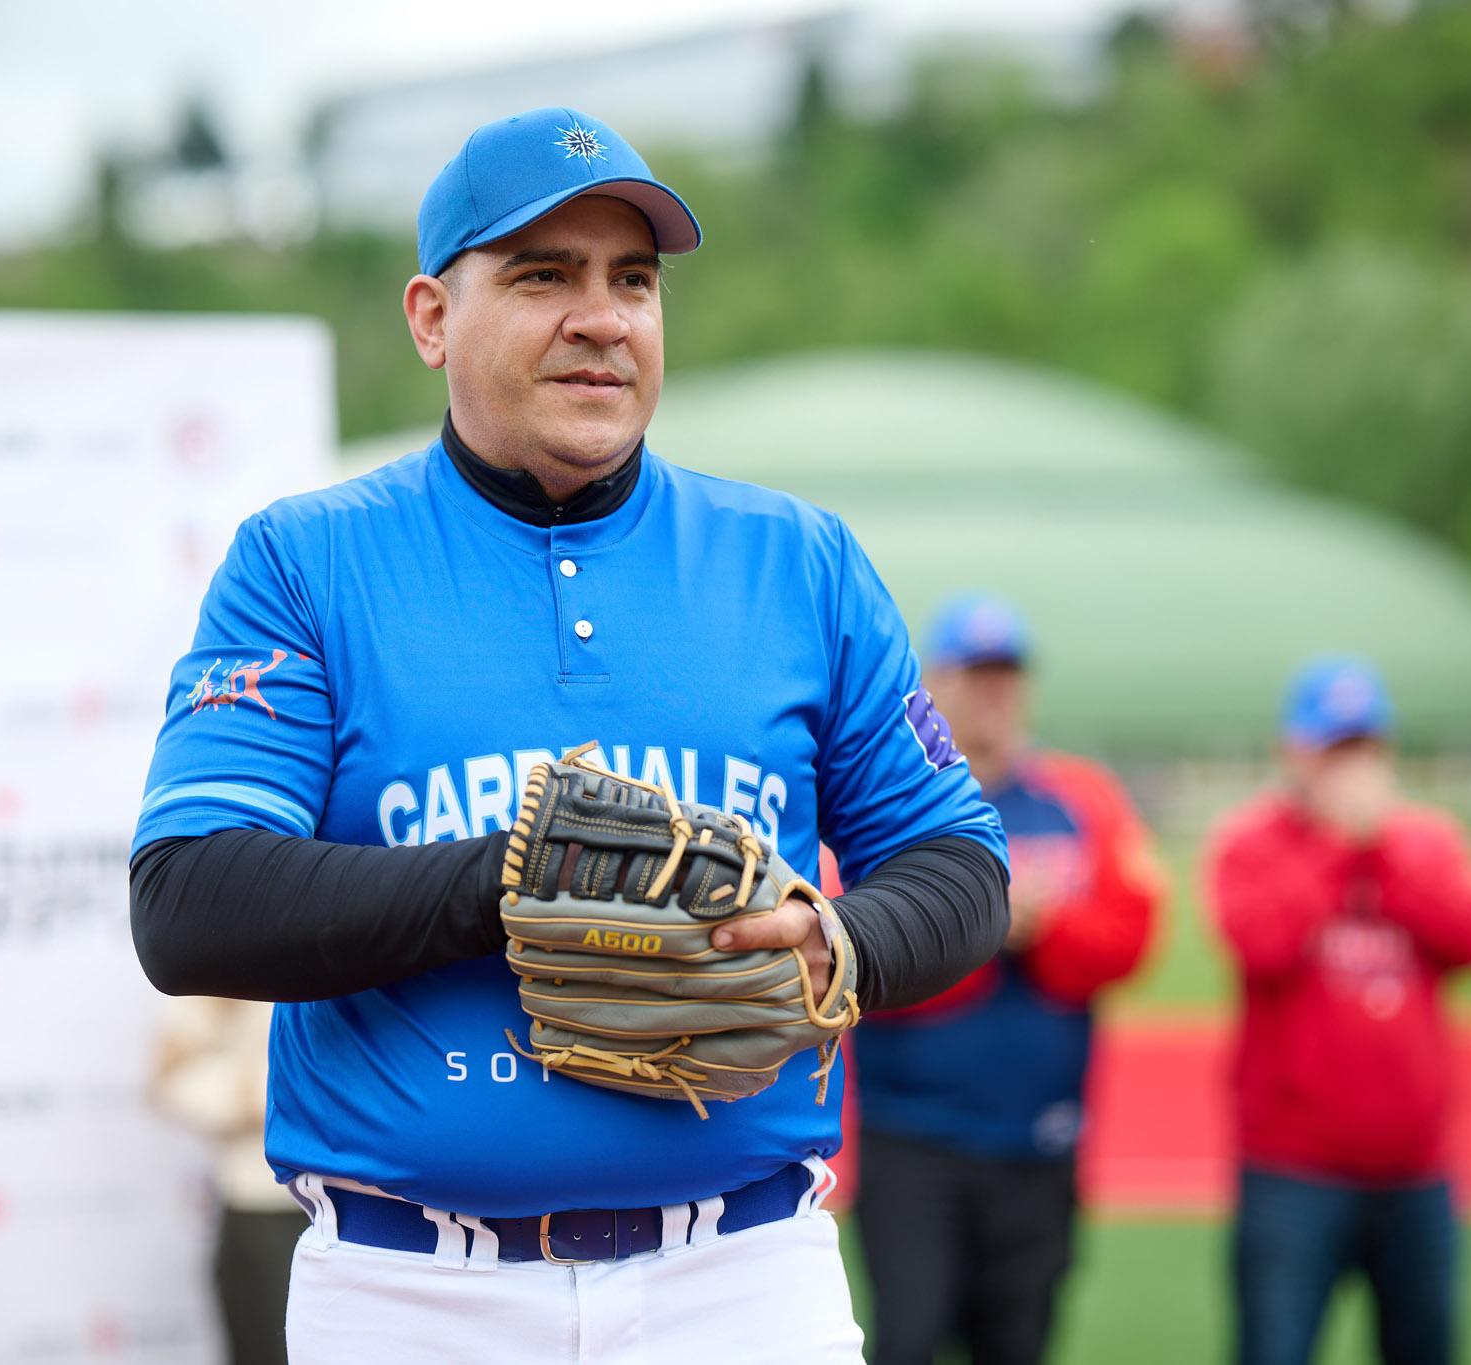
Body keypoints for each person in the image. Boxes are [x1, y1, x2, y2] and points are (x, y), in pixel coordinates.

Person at [127, 107, 1010, 1362]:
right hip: (412, 1293)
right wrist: (518, 879)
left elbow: (960, 866)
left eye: (631, 280)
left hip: (741, 1278)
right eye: (543, 275)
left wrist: (837, 940)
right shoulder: (305, 562)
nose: (601, 318)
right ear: (431, 318)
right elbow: (187, 903)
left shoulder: (795, 561)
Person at [852, 591, 1165, 1365]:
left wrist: (1049, 928)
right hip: (914, 1140)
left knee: (1020, 1344)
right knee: (907, 1341)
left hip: (1040, 1142)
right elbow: (856, 964)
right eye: (976, 673)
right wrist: (981, 927)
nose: (995, 691)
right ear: (935, 684)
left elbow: (1128, 940)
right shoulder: (891, 803)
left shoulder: (1080, 797)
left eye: (1008, 673)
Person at [1205, 656, 1471, 1365]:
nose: (1350, 767)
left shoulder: (1423, 839)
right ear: (1292, 752)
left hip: (1416, 1168)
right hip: (1292, 1168)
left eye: (1363, 747)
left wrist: (1387, 847)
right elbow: (1261, 945)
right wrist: (1339, 846)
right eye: (1333, 748)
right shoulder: (1252, 841)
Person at [152, 996, 311, 1365]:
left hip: (389, 1211)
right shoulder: (231, 972)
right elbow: (171, 1077)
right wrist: (282, 1088)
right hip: (267, 1210)